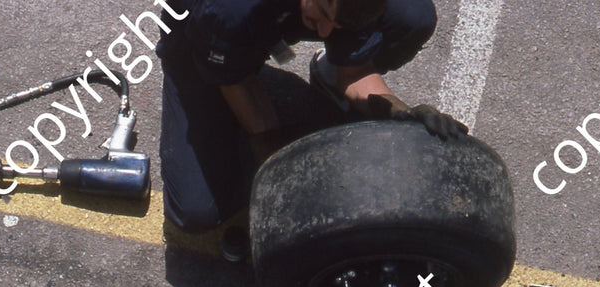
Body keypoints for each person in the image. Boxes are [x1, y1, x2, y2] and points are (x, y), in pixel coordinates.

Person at [156, 0, 467, 253]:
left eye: (337, 25)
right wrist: (274, 160)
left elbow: (355, 74)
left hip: (270, 13)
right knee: (199, 211)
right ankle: (216, 82)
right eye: (324, 15)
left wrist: (399, 111)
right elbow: (238, 85)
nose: (324, 31)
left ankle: (325, 76)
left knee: (412, 15)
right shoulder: (229, 10)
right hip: (205, 34)